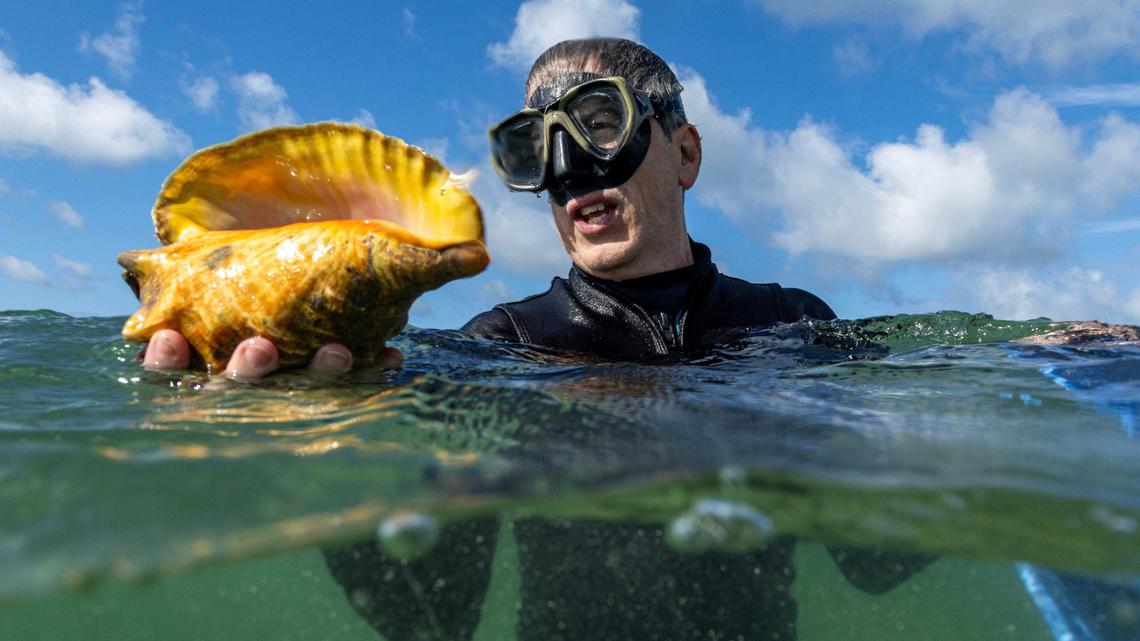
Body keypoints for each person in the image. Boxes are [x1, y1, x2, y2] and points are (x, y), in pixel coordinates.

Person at [146, 37, 929, 641]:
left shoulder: (791, 323)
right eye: (534, 148)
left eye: (598, 126)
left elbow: (876, 556)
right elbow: (431, 616)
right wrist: (326, 451)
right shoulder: (500, 345)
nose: (570, 172)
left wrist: (1044, 365)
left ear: (684, 152)